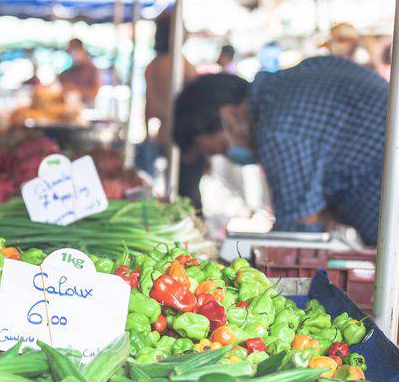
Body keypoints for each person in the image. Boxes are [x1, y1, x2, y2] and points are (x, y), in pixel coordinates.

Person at [173, 56, 387, 245]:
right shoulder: (291, 83)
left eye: (221, 149)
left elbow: (299, 233)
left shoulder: (277, 129)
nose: (229, 156)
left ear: (229, 116)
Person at [141, 15, 199, 203]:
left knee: (173, 187)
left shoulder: (153, 66)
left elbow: (149, 106)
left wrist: (148, 133)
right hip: (184, 137)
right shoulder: (182, 64)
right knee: (187, 192)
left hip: (164, 133)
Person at [59, 38, 101, 105]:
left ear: (82, 50)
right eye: (70, 52)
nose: (73, 55)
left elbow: (94, 93)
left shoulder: (92, 70)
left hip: (87, 109)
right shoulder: (66, 72)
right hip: (69, 109)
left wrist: (76, 89)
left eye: (75, 51)